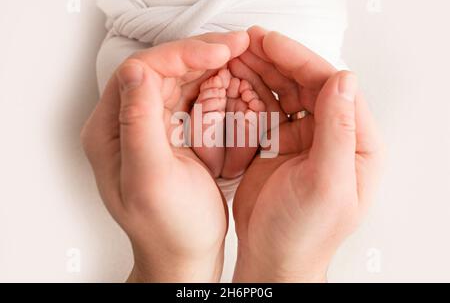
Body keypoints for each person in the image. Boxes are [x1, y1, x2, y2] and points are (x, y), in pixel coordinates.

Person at [81, 26, 384, 282]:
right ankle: (227, 152)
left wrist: (176, 260)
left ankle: (215, 152)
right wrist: (286, 268)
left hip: (167, 117)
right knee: (310, 57)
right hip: (281, 121)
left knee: (139, 84)